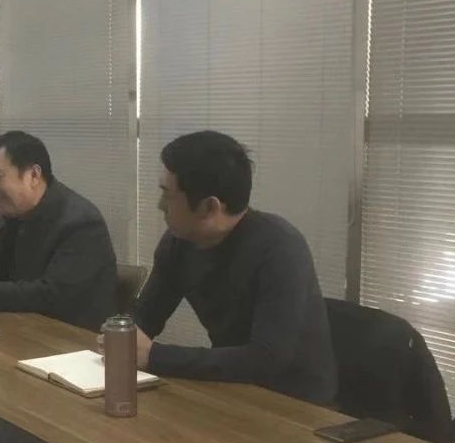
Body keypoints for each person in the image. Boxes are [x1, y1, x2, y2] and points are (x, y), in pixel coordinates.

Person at [129, 131, 337, 404]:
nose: (160, 205)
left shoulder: (280, 248)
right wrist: (122, 335)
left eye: (167, 195)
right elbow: (147, 315)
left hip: (295, 405)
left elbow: (266, 359)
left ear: (209, 207)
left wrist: (155, 356)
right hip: (232, 389)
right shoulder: (179, 243)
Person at [0, 131, 118, 330]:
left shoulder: (81, 222)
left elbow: (51, 296)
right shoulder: (9, 212)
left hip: (71, 339)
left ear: (33, 175)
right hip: (19, 330)